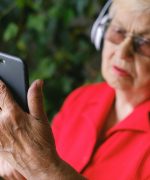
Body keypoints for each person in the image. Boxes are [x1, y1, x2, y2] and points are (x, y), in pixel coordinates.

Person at [0, 0, 150, 179]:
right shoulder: (81, 98)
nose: (122, 52)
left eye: (145, 44)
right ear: (100, 30)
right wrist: (21, 166)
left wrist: (43, 167)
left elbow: (44, 169)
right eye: (118, 31)